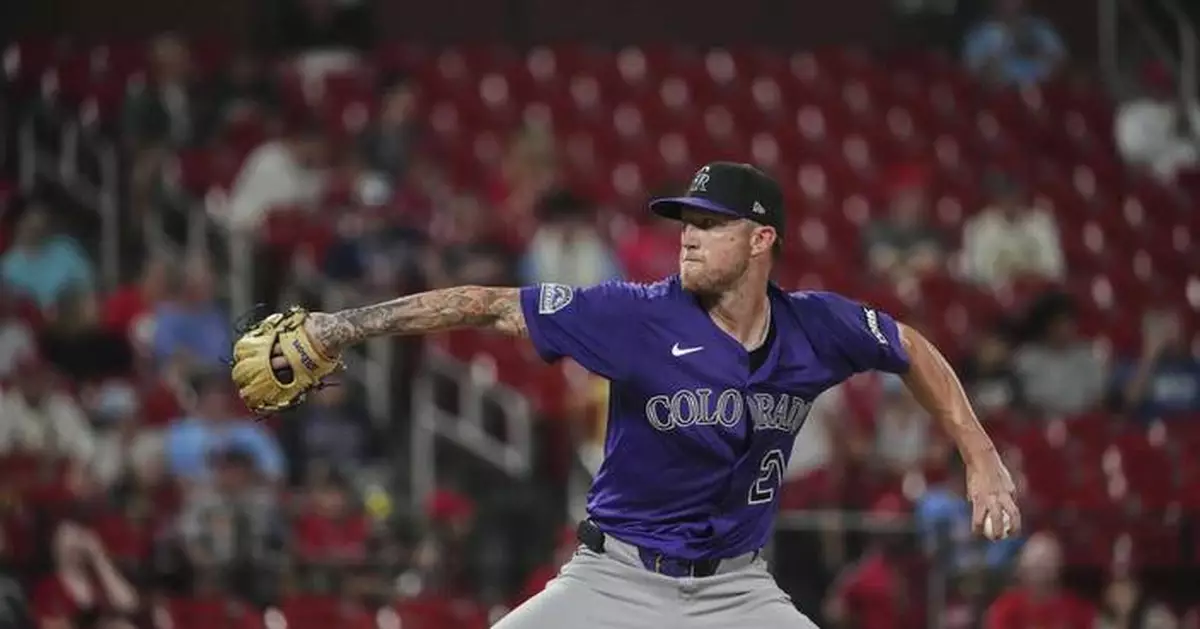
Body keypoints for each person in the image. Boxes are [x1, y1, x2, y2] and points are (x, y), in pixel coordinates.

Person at [248, 162, 1021, 627]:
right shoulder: (633, 315)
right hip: (614, 579)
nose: (687, 233)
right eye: (685, 219)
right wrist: (339, 325)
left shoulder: (816, 326)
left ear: (761, 239)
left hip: (737, 591)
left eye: (711, 223)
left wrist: (979, 453)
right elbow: (486, 303)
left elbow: (908, 346)